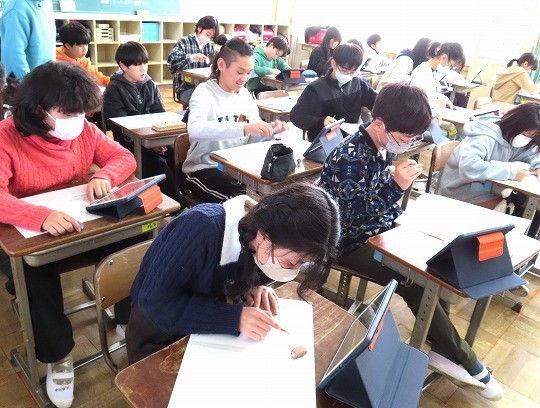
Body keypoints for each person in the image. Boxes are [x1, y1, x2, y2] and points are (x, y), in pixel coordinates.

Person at [319, 82, 504, 401]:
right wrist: (396, 186)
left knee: (437, 266)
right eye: (406, 138)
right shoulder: (351, 156)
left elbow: (375, 205)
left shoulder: (376, 144)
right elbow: (349, 222)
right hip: (344, 243)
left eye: (414, 138)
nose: (409, 144)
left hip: (375, 233)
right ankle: (465, 359)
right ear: (380, 124)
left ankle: (443, 349)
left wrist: (398, 210)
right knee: (414, 280)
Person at [0, 61, 138, 408]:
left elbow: (123, 157)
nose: (78, 120)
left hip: (77, 225)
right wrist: (40, 216)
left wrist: (102, 175)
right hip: (27, 231)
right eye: (68, 113)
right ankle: (57, 355)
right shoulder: (6, 136)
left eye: (82, 113)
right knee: (34, 273)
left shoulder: (84, 130)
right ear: (38, 109)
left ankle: (129, 318)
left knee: (135, 241)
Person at [125, 182, 340, 363]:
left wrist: (252, 284)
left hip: (207, 337)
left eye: (302, 264)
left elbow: (236, 267)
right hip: (160, 338)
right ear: (265, 237)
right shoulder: (201, 228)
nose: (294, 270)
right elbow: (154, 302)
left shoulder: (259, 238)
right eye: (292, 262)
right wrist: (234, 318)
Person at [183, 38, 286, 202]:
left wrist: (270, 132)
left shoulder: (245, 95)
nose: (244, 78)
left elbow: (252, 138)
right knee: (243, 204)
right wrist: (244, 128)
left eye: (249, 72)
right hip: (204, 169)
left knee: (272, 198)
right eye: (240, 72)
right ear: (221, 65)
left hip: (237, 170)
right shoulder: (204, 92)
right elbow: (195, 130)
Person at [103, 41, 185, 207]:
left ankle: (184, 196)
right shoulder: (114, 89)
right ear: (123, 66)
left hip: (153, 140)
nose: (143, 69)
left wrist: (159, 142)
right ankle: (178, 206)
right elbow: (118, 128)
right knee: (159, 165)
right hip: (130, 144)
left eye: (145, 63)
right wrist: (150, 144)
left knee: (177, 155)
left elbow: (160, 115)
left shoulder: (150, 84)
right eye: (137, 64)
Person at [437, 103, 540, 228]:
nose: (526, 140)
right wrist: (511, 172)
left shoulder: (512, 136)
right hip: (460, 189)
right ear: (516, 124)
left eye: (531, 138)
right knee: (515, 213)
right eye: (525, 135)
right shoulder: (484, 137)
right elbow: (469, 166)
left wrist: (538, 166)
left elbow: (530, 154)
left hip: (485, 186)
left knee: (531, 208)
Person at [290, 43, 377, 141]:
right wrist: (321, 121)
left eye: (352, 72)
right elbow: (296, 116)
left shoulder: (358, 83)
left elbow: (377, 103)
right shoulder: (316, 88)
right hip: (323, 141)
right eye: (344, 70)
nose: (348, 75)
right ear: (333, 63)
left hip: (350, 138)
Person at [167, 15, 219, 103]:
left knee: (218, 96)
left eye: (211, 38)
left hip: (205, 87)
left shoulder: (209, 46)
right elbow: (171, 61)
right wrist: (191, 57)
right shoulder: (184, 42)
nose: (208, 39)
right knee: (205, 99)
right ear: (199, 28)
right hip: (185, 88)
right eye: (208, 34)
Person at [0, 0, 55, 80]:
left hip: (45, 78)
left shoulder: (46, 3)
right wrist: (25, 82)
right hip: (27, 81)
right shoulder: (17, 7)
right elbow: (14, 53)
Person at [410, 42, 465, 110]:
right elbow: (420, 103)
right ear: (443, 57)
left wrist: (445, 99)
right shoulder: (422, 72)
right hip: (420, 113)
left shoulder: (433, 71)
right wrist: (438, 104)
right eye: (451, 66)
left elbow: (433, 93)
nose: (450, 69)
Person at [56, 22, 110, 87]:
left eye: (86, 45)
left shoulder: (83, 61)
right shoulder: (55, 61)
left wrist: (116, 83)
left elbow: (100, 79)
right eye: (80, 46)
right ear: (68, 46)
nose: (85, 49)